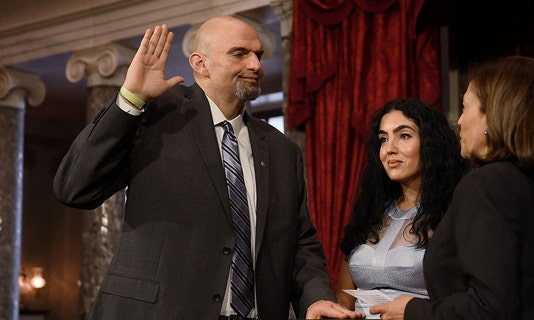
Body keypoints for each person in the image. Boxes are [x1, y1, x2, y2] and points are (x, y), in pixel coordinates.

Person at [53, 16, 364, 320]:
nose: (255, 65)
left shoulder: (283, 150)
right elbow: (74, 187)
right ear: (200, 63)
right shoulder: (154, 117)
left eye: (258, 54)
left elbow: (300, 244)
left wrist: (316, 299)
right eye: (240, 54)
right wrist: (131, 99)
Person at [369, 56, 534, 319]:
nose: (458, 121)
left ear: (493, 116)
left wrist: (412, 310)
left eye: (465, 107)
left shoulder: (486, 185)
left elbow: (490, 307)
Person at [335, 99, 469, 318]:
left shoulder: (454, 211)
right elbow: (343, 301)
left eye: (404, 136)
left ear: (430, 143)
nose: (389, 149)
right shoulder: (369, 210)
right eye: (383, 139)